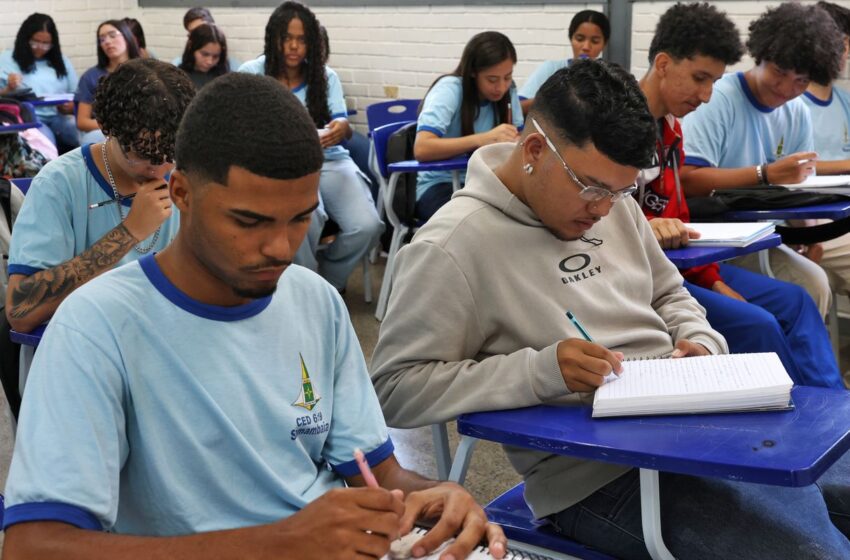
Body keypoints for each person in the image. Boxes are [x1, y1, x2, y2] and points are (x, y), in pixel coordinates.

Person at [1, 72, 505, 560]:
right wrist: (281, 544)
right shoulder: (97, 326)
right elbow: (34, 548)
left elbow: (378, 474)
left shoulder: (316, 300)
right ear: (181, 194)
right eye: (248, 221)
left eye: (301, 218)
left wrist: (437, 498)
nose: (281, 248)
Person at [370, 59, 850, 559]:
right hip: (597, 475)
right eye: (593, 188)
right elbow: (396, 388)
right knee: (817, 553)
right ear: (535, 150)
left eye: (621, 191)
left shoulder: (613, 202)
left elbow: (669, 293)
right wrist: (540, 370)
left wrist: (700, 341)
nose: (605, 210)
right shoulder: (450, 247)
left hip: (699, 427)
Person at [637, 3, 841, 389]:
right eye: (700, 78)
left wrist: (713, 279)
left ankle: (834, 418)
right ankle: (796, 424)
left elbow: (679, 223)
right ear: (663, 64)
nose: (707, 95)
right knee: (759, 322)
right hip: (652, 273)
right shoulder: (623, 125)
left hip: (689, 260)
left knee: (796, 300)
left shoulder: (671, 130)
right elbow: (610, 218)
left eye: (712, 81)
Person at [680, 2, 847, 316]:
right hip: (706, 242)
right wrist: (765, 174)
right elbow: (687, 178)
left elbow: (798, 190)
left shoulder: (796, 112)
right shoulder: (719, 99)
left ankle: (797, 364)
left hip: (758, 239)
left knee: (814, 282)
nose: (785, 88)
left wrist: (809, 235)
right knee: (790, 297)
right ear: (760, 56)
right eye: (779, 73)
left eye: (801, 81)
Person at [5, 58, 194, 333]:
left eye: (170, 156)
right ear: (107, 127)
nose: (158, 170)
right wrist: (128, 232)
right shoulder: (59, 183)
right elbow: (20, 310)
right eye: (143, 156)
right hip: (81, 346)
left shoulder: (188, 179)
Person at [239, 1, 383, 293]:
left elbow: (340, 120)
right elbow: (240, 126)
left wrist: (341, 128)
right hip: (279, 166)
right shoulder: (252, 72)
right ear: (274, 39)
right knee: (308, 217)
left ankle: (327, 281)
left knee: (367, 225)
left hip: (329, 159)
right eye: (287, 38)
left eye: (302, 40)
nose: (294, 46)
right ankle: (303, 287)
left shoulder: (325, 76)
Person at [414, 31, 524, 221]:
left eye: (507, 77)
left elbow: (519, 141)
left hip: (487, 184)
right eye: (492, 79)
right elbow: (422, 148)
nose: (501, 87)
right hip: (441, 185)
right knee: (482, 224)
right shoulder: (450, 89)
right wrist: (483, 139)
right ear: (473, 72)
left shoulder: (509, 91)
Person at [0, 13, 79, 153]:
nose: (40, 48)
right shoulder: (6, 60)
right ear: (25, 39)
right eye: (35, 42)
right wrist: (8, 88)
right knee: (44, 145)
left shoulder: (61, 61)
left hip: (59, 116)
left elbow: (77, 94)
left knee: (79, 132)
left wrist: (71, 106)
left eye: (46, 44)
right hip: (29, 120)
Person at [519, 9, 609, 114]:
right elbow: (517, 108)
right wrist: (553, 98)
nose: (586, 47)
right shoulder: (551, 68)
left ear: (604, 44)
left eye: (595, 41)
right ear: (571, 38)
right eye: (580, 39)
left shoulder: (606, 77)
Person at [75, 20, 141, 146]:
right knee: (90, 140)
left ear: (127, 36)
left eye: (112, 35)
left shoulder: (146, 70)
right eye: (102, 39)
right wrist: (116, 127)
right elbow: (82, 121)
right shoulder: (91, 76)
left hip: (141, 129)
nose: (108, 42)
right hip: (105, 132)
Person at [178, 24, 229, 90]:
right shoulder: (179, 77)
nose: (209, 62)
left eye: (215, 56)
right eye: (205, 54)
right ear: (191, 47)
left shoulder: (224, 77)